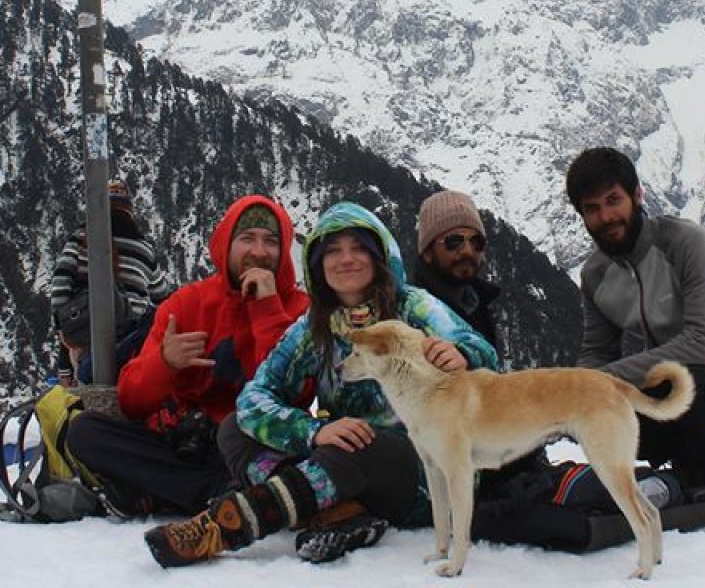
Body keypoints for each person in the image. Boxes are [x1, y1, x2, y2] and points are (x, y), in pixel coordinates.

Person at [144, 201, 498, 568]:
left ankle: (225, 526)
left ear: (379, 255)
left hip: (424, 472)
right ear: (318, 263)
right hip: (345, 460)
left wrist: (462, 354)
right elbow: (254, 399)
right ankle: (338, 511)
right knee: (235, 429)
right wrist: (313, 431)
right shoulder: (316, 326)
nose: (346, 259)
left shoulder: (412, 307)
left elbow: (482, 351)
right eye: (333, 251)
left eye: (359, 247)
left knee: (363, 445)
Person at [64, 195, 309, 515]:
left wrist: (266, 309)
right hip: (180, 441)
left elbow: (295, 394)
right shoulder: (187, 304)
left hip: (249, 444)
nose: (259, 252)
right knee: (85, 432)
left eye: (271, 241)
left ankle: (165, 492)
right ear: (226, 245)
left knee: (258, 441)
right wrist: (165, 363)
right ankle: (217, 492)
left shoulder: (299, 311)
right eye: (247, 239)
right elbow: (131, 400)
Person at [565, 147, 705, 497]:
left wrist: (598, 381)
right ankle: (681, 467)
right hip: (671, 390)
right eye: (592, 208)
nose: (606, 216)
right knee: (601, 418)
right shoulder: (595, 276)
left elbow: (701, 344)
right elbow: (596, 352)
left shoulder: (685, 244)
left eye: (613, 200)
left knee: (693, 384)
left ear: (637, 195)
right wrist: (578, 396)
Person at [50, 178, 173, 385]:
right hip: (133, 338)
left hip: (87, 334)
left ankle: (67, 378)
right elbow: (162, 295)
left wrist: (62, 328)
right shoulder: (144, 248)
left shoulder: (80, 239)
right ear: (128, 210)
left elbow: (61, 282)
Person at [413, 189, 500, 346]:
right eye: (453, 241)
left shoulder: (479, 305)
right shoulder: (411, 314)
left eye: (476, 241)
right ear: (427, 252)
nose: (467, 250)